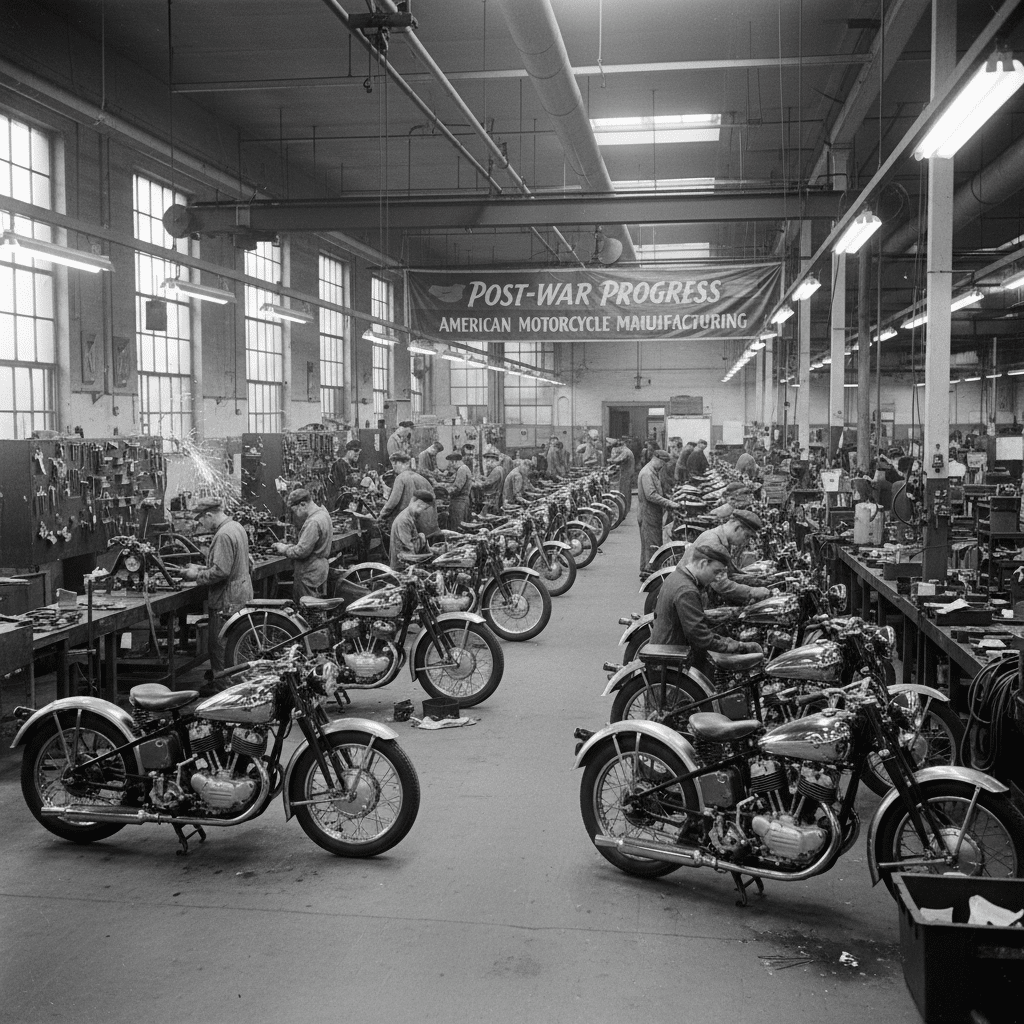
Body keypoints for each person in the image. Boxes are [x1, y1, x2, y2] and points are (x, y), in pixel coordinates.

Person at [650, 540, 762, 676]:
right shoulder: (687, 591)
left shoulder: (678, 576)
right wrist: (735, 645)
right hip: (674, 658)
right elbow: (700, 636)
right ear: (703, 563)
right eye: (716, 572)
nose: (716, 578)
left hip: (667, 647)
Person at [179, 497, 253, 679]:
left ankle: (224, 691)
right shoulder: (236, 527)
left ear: (209, 515)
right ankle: (239, 686)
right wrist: (203, 568)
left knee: (221, 648)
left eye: (201, 521)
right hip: (240, 594)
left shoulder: (223, 535)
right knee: (237, 645)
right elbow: (234, 563)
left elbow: (221, 572)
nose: (202, 525)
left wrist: (196, 575)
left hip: (227, 600)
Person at [684, 508, 772, 604]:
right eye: (747, 536)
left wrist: (757, 580)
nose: (747, 542)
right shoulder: (713, 542)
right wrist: (753, 591)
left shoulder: (721, 539)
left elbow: (730, 572)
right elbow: (720, 585)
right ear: (737, 528)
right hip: (691, 598)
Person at [273, 488, 334, 600]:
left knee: (307, 607)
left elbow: (301, 551)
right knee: (317, 605)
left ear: (303, 504)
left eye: (295, 511)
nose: (295, 515)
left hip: (309, 571)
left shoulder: (313, 522)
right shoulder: (323, 514)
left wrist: (284, 549)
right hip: (319, 570)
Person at [637, 449, 680, 572]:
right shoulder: (647, 473)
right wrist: (668, 503)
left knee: (649, 542)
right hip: (647, 513)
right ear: (657, 459)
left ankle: (646, 568)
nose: (663, 466)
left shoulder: (652, 471)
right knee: (652, 543)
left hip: (652, 512)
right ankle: (650, 571)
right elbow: (651, 495)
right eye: (663, 463)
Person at [379, 452, 438, 538]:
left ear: (399, 463)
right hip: (430, 527)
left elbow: (392, 503)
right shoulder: (421, 477)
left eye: (394, 464)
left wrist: (381, 515)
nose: (393, 468)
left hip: (416, 527)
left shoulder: (401, 477)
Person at [389, 490, 435, 568]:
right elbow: (408, 548)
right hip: (402, 564)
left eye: (423, 508)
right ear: (412, 501)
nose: (420, 510)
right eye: (419, 506)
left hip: (407, 557)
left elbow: (414, 540)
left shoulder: (410, 516)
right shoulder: (404, 520)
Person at [445, 451, 473, 530]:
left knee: (457, 526)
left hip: (459, 502)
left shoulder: (462, 469)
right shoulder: (464, 468)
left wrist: (446, 492)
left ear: (454, 461)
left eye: (451, 463)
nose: (451, 465)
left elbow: (457, 488)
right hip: (463, 501)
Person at [607, 438, 635, 515]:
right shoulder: (627, 451)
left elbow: (618, 460)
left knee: (624, 491)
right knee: (626, 491)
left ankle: (625, 508)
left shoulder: (625, 452)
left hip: (626, 474)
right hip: (627, 473)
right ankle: (626, 507)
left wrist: (609, 461)